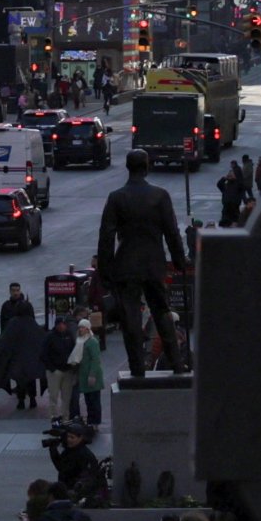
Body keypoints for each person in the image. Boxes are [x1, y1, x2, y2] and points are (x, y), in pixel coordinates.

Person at [93, 155, 188, 376]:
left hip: (126, 264)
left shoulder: (116, 197)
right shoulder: (160, 196)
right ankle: (176, 362)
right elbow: (172, 232)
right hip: (154, 264)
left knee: (131, 317)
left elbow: (106, 237)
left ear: (127, 167)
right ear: (147, 167)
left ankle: (137, 367)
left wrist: (105, 270)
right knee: (162, 311)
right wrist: (179, 261)